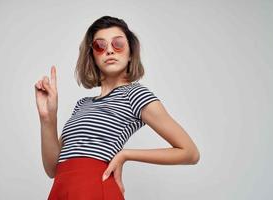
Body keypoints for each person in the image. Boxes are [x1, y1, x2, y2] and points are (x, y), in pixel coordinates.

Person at [34, 15, 200, 200]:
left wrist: (125, 155)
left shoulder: (135, 94)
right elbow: (52, 169)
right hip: (62, 189)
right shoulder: (83, 104)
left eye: (118, 43)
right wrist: (48, 118)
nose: (110, 51)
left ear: (130, 53)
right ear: (92, 56)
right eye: (100, 46)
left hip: (95, 188)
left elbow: (190, 153)